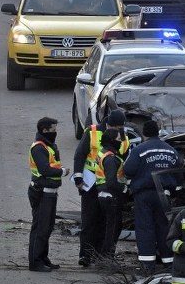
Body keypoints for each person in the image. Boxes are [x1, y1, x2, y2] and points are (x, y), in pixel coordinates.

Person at [72, 110, 130, 267]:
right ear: (109, 124)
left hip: (108, 185)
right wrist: (78, 177)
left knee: (107, 222)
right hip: (90, 183)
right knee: (89, 220)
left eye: (121, 127)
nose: (119, 130)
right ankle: (85, 255)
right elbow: (80, 155)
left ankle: (100, 256)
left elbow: (125, 159)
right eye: (117, 127)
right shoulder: (92, 132)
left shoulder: (124, 137)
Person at [123, 119, 181, 273]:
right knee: (164, 227)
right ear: (158, 132)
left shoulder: (140, 150)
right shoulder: (171, 150)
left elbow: (128, 169)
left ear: (145, 133)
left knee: (145, 227)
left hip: (144, 195)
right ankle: (168, 261)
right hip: (164, 195)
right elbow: (179, 172)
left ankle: (147, 264)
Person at [28, 116, 68, 272]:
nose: (55, 132)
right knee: (40, 228)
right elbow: (44, 170)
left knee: (48, 227)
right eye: (53, 130)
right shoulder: (39, 148)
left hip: (50, 193)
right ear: (44, 130)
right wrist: (62, 172)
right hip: (42, 193)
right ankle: (35, 262)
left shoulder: (49, 146)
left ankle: (43, 258)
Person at [96, 127, 127, 260]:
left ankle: (103, 255)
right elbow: (111, 182)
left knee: (107, 227)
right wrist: (125, 188)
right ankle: (107, 257)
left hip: (103, 195)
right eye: (119, 139)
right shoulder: (111, 158)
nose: (121, 142)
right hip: (111, 197)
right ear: (112, 140)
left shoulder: (102, 153)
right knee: (113, 229)